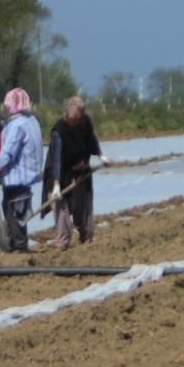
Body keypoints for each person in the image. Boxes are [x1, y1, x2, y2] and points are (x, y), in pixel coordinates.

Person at [42, 96, 110, 251]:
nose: (73, 122)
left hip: (79, 169)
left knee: (83, 205)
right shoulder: (59, 131)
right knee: (62, 208)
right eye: (70, 119)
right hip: (58, 172)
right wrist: (57, 184)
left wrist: (100, 155)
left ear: (81, 116)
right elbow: (57, 157)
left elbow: (91, 140)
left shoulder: (85, 123)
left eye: (76, 120)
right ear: (65, 115)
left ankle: (86, 236)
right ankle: (62, 243)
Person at [0, 87, 44, 252]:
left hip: (16, 177)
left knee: (12, 211)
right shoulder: (31, 121)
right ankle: (16, 242)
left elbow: (8, 152)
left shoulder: (18, 125)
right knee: (18, 210)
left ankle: (19, 245)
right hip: (27, 175)